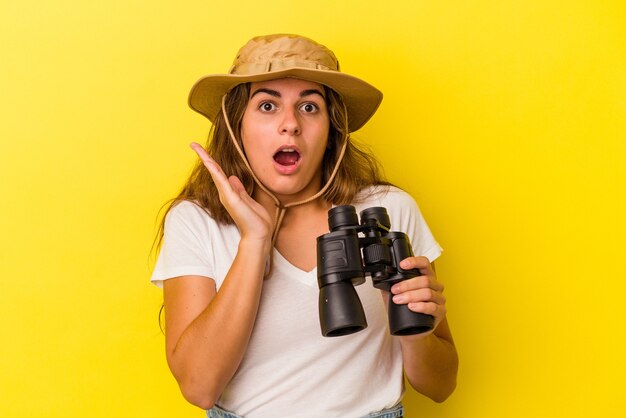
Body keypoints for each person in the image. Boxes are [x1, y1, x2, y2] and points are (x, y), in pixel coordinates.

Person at [151, 34, 458, 418]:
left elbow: (441, 386)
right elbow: (199, 387)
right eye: (267, 105)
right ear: (236, 126)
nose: (290, 125)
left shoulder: (388, 210)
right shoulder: (197, 221)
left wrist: (417, 327)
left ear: (331, 130)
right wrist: (254, 241)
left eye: (309, 107)